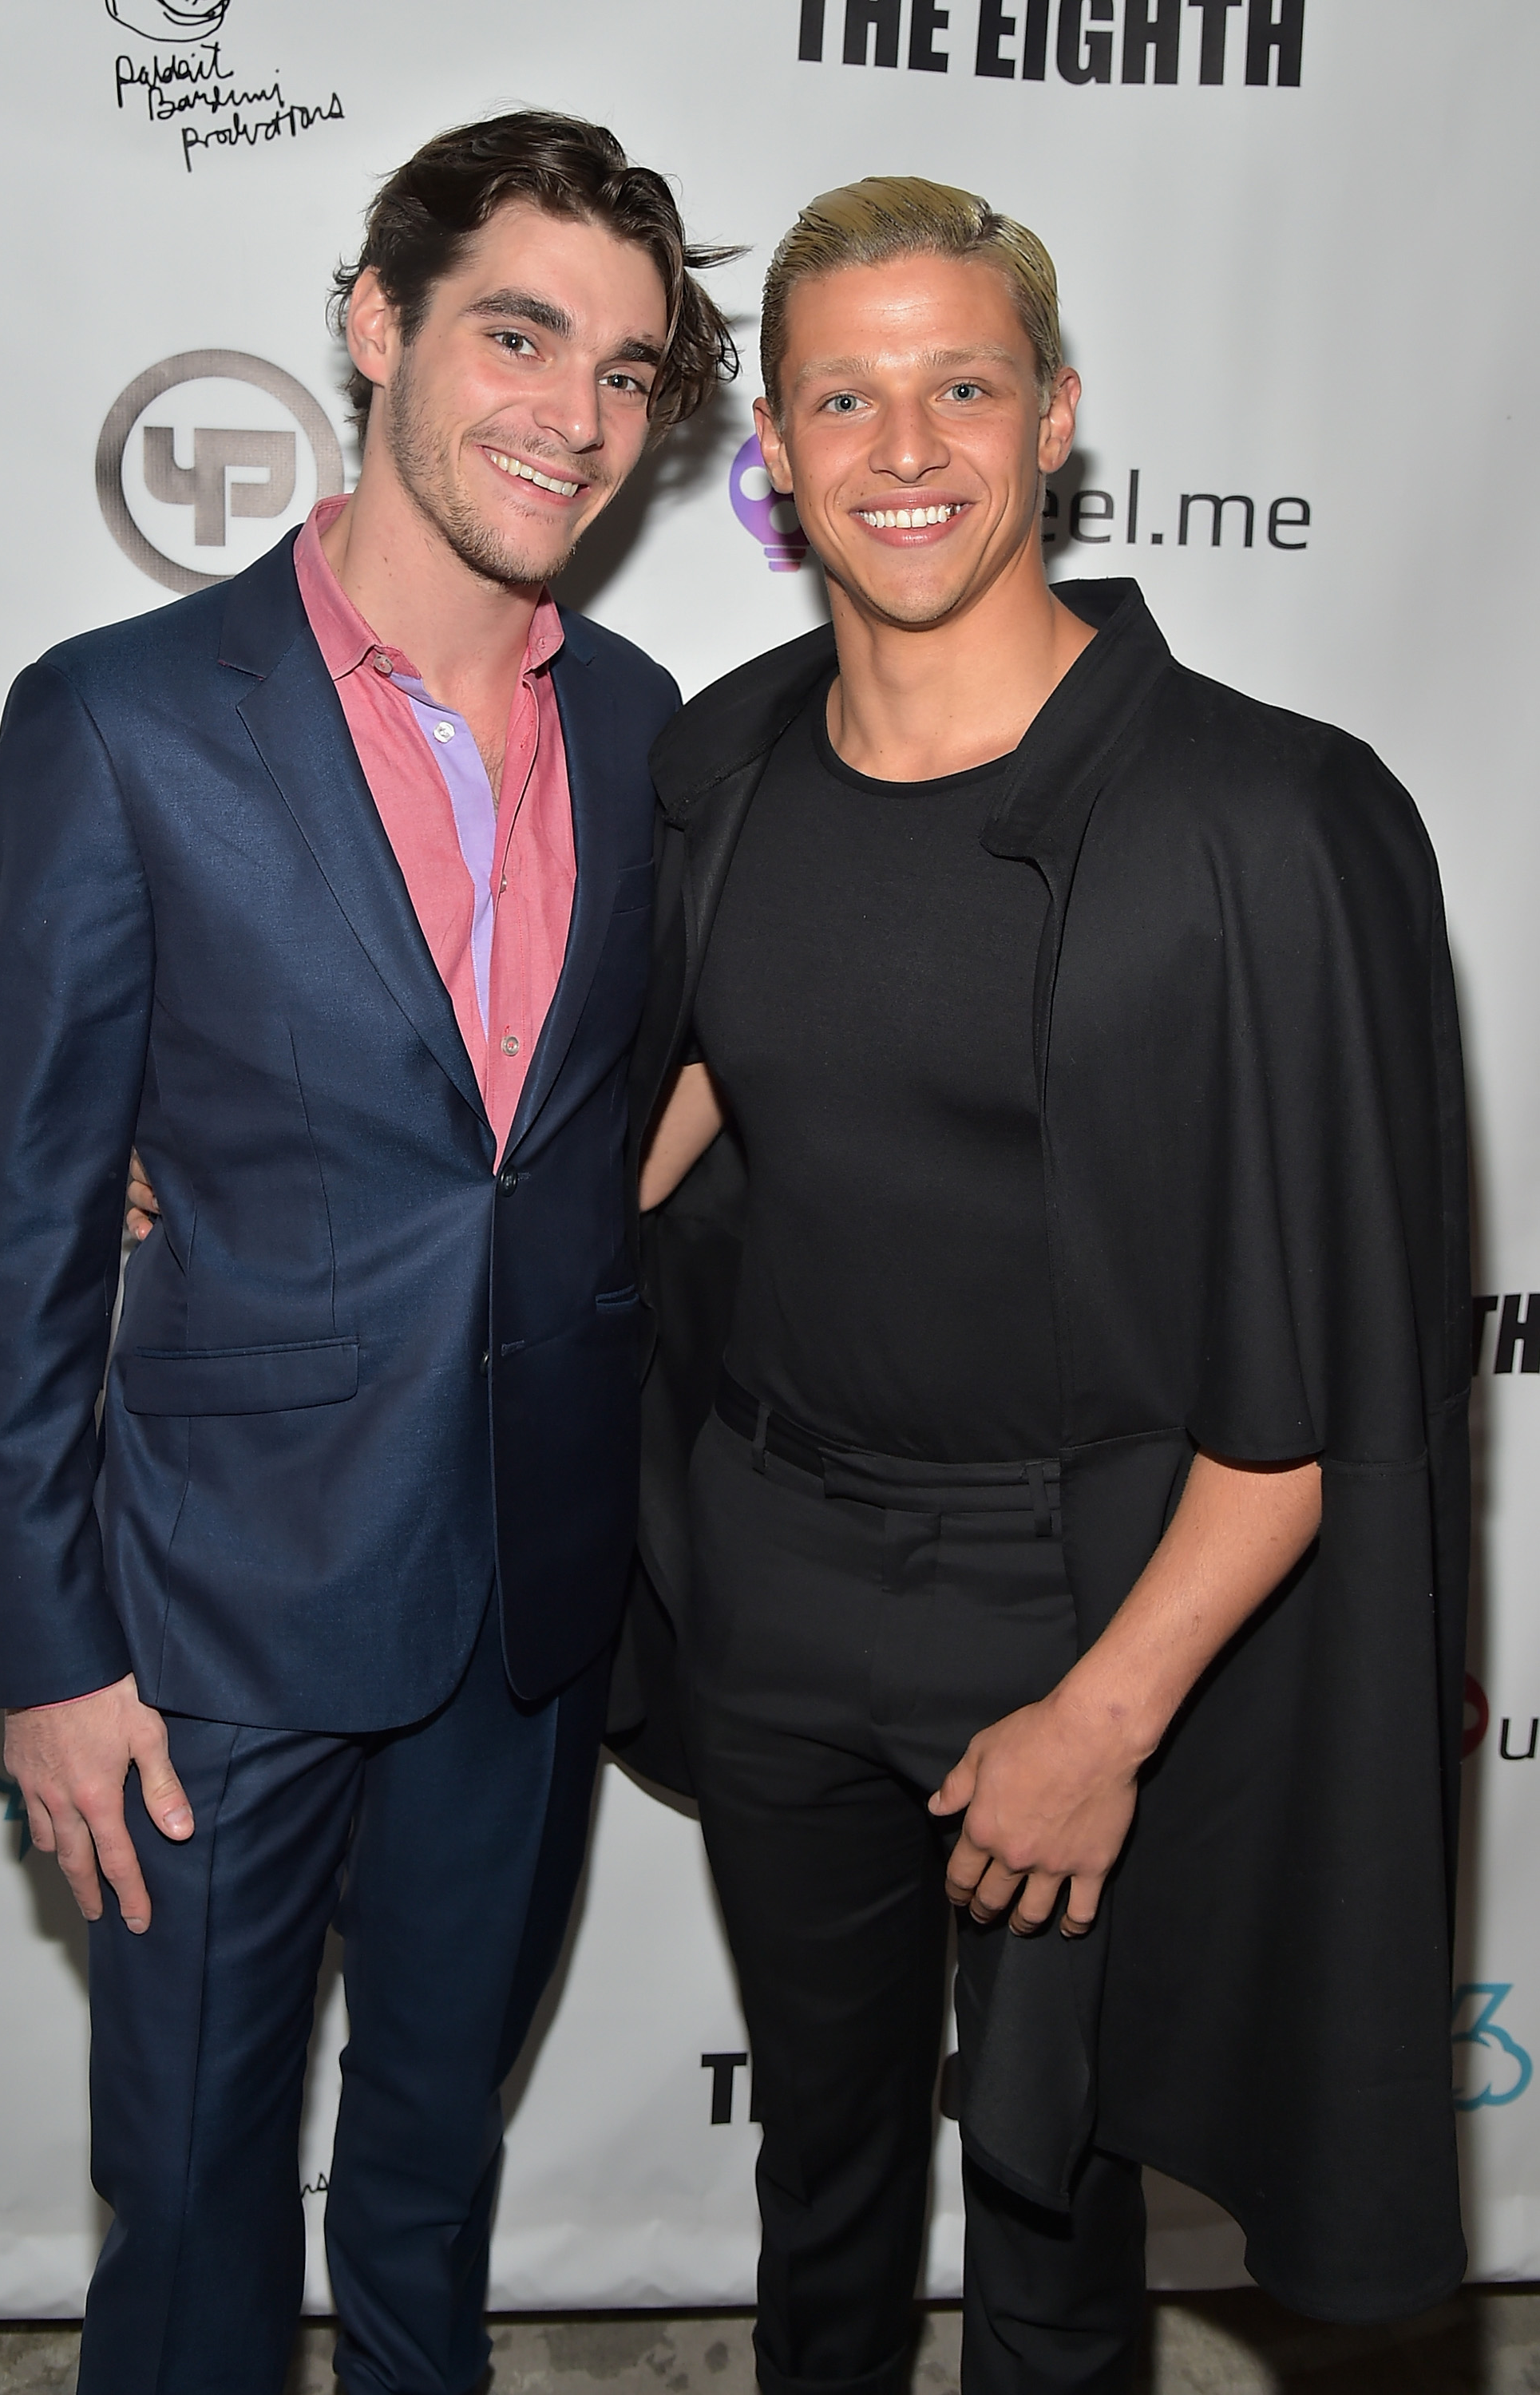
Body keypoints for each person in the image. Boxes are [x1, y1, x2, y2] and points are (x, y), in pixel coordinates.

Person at [620, 178, 1469, 2395]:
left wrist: (1102, 1718)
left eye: (962, 384)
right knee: (823, 2182)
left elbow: (1334, 1402)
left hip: (1092, 1602)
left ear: (1058, 418)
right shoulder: (713, 770)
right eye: (846, 395)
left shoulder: (1267, 822)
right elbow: (636, 1133)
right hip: (780, 1585)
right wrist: (249, 1193)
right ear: (778, 458)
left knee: (1048, 2206)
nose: (908, 445)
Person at [0, 111, 735, 2395]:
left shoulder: (641, 723)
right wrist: (50, 1654)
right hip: (208, 1622)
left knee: (430, 2166)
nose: (570, 414)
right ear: (377, 329)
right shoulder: (116, 722)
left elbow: (576, 1135)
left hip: (526, 1589)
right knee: (188, 2190)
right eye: (516, 332)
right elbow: (17, 1240)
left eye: (623, 370)